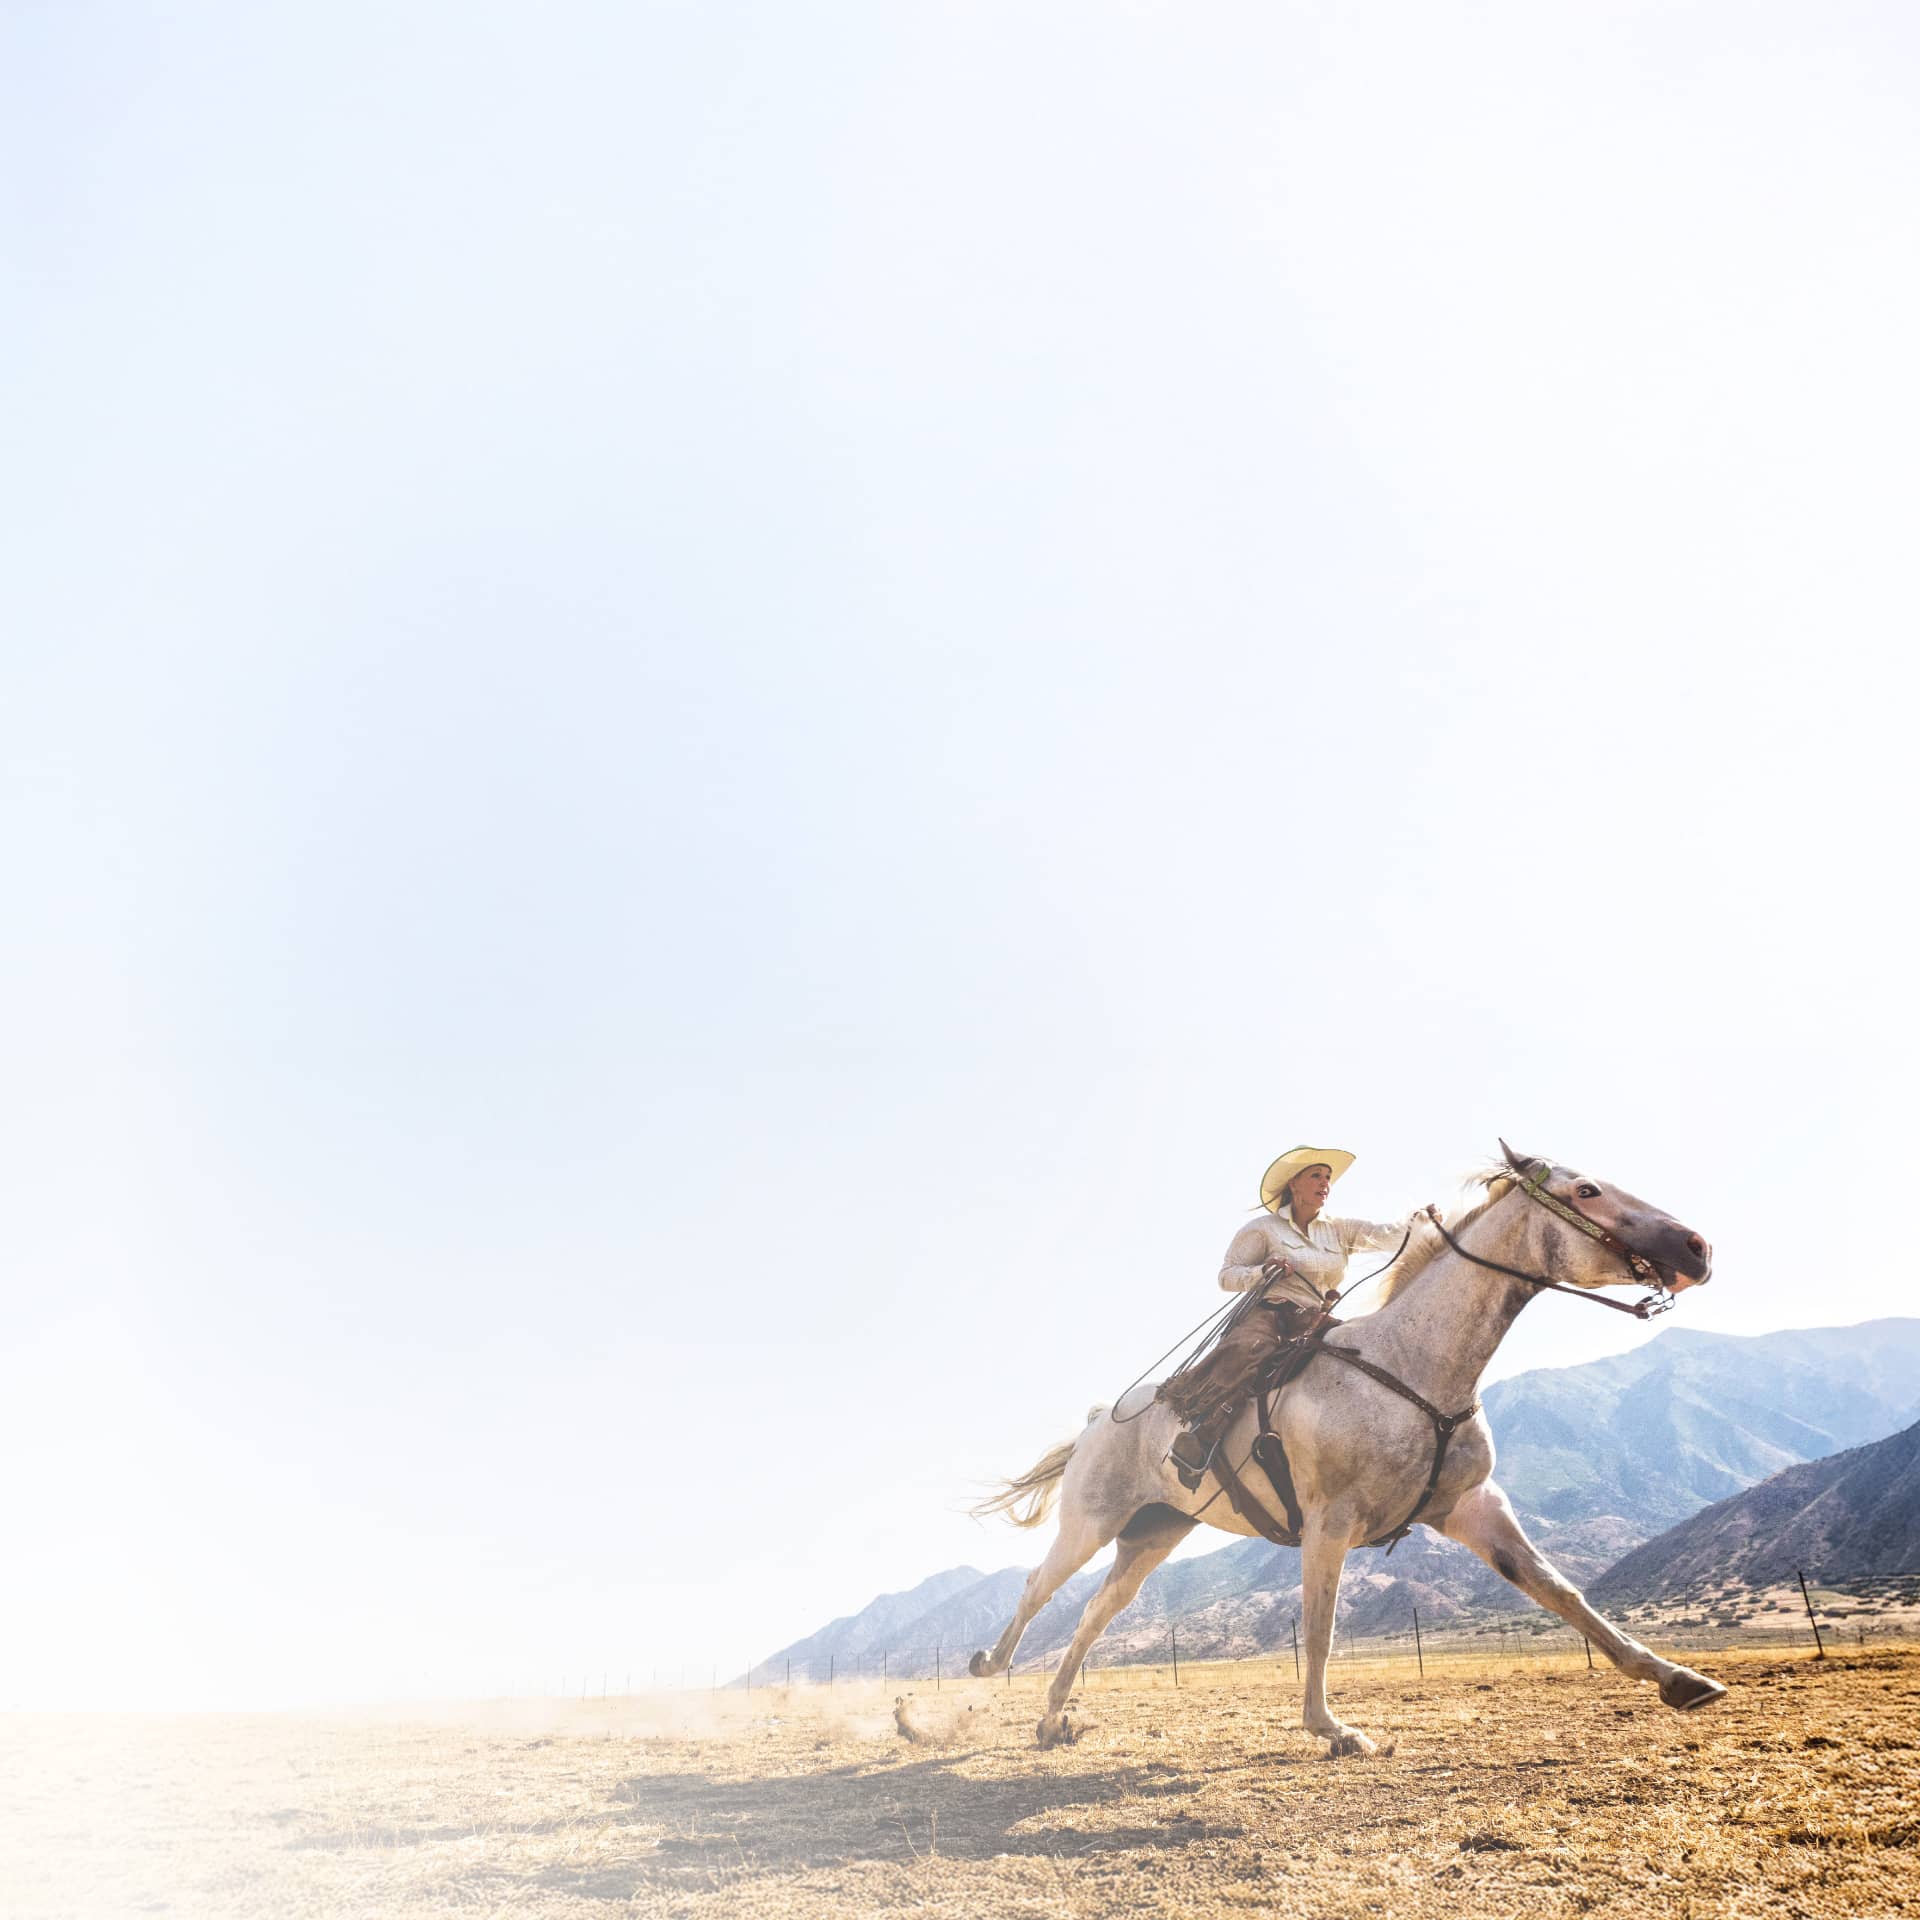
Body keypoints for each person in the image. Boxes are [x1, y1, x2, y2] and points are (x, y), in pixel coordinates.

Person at [1163, 1145, 1431, 1490]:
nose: (1325, 1183)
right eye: (1316, 1176)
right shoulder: (1263, 1230)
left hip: (1315, 1318)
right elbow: (1227, 1276)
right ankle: (1203, 1435)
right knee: (1249, 1349)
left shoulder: (1339, 1229)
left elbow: (1386, 1236)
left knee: (1363, 1354)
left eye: (1328, 1178)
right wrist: (1264, 1271)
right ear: (1294, 1184)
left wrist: (1420, 1221)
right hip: (1270, 1313)